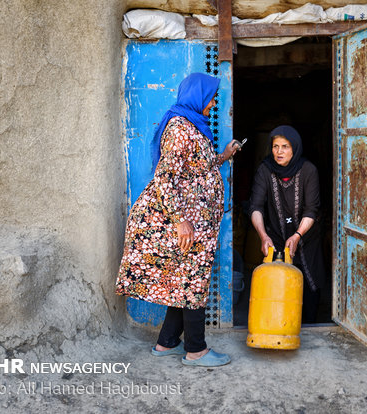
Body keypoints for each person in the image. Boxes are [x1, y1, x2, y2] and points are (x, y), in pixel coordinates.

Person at [115, 73, 240, 367]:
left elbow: (197, 166)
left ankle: (166, 342)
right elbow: (165, 176)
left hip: (195, 221)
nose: (212, 104)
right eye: (210, 98)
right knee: (193, 280)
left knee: (184, 279)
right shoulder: (179, 128)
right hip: (184, 222)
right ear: (197, 96)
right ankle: (196, 350)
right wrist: (181, 220)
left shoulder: (193, 126)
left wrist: (224, 155)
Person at [248, 125, 325, 324]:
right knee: (278, 283)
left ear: (295, 148)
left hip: (306, 236)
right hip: (276, 235)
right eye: (275, 146)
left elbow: (311, 209)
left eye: (285, 146)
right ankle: (280, 325)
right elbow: (256, 206)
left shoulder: (309, 170)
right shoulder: (265, 169)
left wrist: (298, 235)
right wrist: (263, 236)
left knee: (309, 280)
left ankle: (308, 325)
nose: (279, 152)